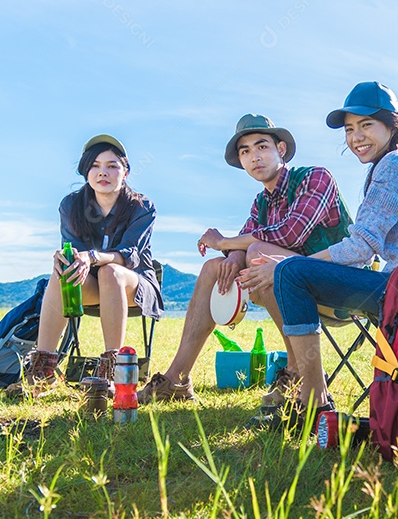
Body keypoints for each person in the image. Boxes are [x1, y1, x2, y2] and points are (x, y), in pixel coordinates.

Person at [238, 82, 398, 424]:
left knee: (292, 273)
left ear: (391, 124)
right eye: (350, 129)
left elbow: (359, 248)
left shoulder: (393, 165)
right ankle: (311, 396)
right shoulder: (393, 164)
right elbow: (365, 249)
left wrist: (288, 265)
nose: (355, 137)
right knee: (292, 270)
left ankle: (313, 402)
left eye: (366, 125)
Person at [137, 114, 352, 403]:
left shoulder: (315, 177)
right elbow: (247, 237)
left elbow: (289, 235)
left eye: (262, 146)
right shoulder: (261, 202)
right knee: (215, 266)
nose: (255, 157)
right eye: (245, 151)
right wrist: (232, 254)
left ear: (281, 150)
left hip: (343, 287)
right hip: (295, 284)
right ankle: (177, 379)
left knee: (258, 255)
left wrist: (226, 243)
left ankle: (298, 369)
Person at [10, 134, 162, 397]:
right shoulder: (71, 205)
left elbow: (130, 254)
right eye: (95, 165)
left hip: (134, 286)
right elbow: (73, 253)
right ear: (85, 171)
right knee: (62, 272)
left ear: (125, 172)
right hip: (91, 285)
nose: (103, 172)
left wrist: (92, 256)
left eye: (112, 165)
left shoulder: (141, 206)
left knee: (110, 271)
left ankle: (112, 370)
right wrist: (66, 258)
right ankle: (43, 368)